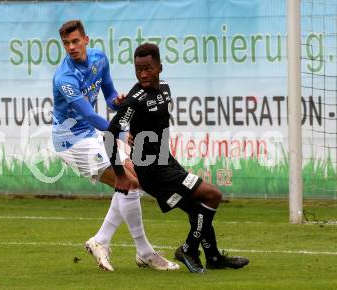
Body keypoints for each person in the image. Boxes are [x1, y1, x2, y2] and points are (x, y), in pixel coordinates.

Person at [106, 42, 250, 273]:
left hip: (167, 161)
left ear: (160, 67)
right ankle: (188, 249)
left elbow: (148, 121)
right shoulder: (135, 98)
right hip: (152, 170)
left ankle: (213, 258)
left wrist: (134, 128)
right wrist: (121, 175)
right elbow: (110, 134)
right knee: (213, 196)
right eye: (138, 70)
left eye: (148, 69)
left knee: (198, 210)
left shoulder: (165, 88)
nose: (143, 74)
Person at [51, 20, 179, 272]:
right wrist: (123, 130)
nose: (72, 47)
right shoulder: (64, 78)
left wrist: (117, 102)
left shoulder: (99, 58)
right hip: (72, 141)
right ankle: (145, 252)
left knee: (134, 178)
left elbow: (109, 94)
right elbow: (89, 114)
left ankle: (100, 241)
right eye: (66, 43)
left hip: (91, 135)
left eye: (76, 41)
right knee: (128, 184)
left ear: (86, 40)